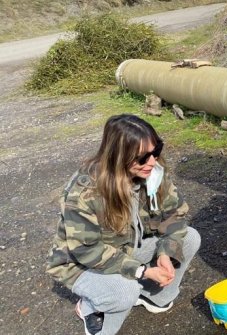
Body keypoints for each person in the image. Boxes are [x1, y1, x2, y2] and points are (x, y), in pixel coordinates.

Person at [46, 114, 201, 335]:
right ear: (118, 157)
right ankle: (91, 308)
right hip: (81, 263)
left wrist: (166, 253)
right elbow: (87, 251)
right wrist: (142, 272)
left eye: (156, 151)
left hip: (126, 246)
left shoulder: (153, 173)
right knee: (124, 291)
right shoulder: (85, 191)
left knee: (189, 238)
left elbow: (175, 215)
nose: (153, 162)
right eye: (142, 158)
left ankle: (155, 297)